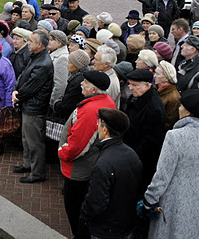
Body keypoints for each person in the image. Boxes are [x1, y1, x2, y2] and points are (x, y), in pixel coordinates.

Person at [140, 90, 199, 239]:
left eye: (181, 107)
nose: (179, 109)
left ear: (187, 112)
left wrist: (149, 200)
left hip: (173, 206)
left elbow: (163, 174)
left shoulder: (174, 136)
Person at [58, 70, 116, 238]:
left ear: (94, 89)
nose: (81, 84)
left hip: (79, 170)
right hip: (90, 164)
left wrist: (62, 152)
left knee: (75, 210)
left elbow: (77, 146)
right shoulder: (107, 101)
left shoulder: (90, 110)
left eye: (85, 82)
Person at [81, 108, 142, 239]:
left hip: (105, 229)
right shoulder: (132, 155)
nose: (97, 127)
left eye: (99, 124)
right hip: (126, 225)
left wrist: (85, 216)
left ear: (105, 130)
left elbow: (96, 202)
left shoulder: (104, 163)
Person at [12, 31, 54, 183]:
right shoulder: (35, 57)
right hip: (27, 105)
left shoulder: (43, 63)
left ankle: (37, 173)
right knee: (26, 138)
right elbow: (23, 75)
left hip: (34, 108)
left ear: (40, 45)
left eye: (31, 41)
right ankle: (27, 164)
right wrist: (16, 90)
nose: (28, 43)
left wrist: (17, 95)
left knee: (34, 141)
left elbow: (31, 87)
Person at [123, 69, 166, 194]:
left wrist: (131, 157)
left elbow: (150, 142)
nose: (130, 88)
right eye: (129, 84)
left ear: (147, 85)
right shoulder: (138, 96)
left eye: (135, 85)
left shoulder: (154, 109)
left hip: (140, 160)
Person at [153, 60, 181, 130]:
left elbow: (169, 123)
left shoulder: (174, 98)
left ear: (166, 78)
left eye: (158, 74)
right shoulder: (155, 89)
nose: (154, 76)